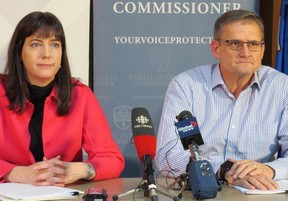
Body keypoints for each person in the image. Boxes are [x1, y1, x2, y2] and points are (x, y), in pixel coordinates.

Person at [155, 9, 288, 191]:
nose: (245, 52)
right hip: (200, 194)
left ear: (262, 49)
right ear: (216, 49)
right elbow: (167, 157)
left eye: (253, 44)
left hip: (258, 193)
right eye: (235, 43)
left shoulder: (282, 87)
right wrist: (224, 171)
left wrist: (268, 170)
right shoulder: (186, 86)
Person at [0, 11, 125, 186]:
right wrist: (15, 173)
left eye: (54, 45)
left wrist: (80, 170)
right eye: (36, 44)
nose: (47, 54)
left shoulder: (80, 95)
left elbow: (112, 158)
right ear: (19, 52)